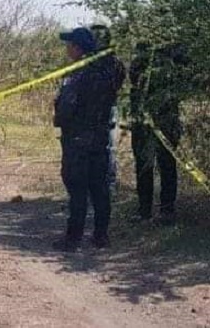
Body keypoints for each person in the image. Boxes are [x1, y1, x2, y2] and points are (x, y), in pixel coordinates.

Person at [53, 27, 120, 251]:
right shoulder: (108, 71)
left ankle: (73, 238)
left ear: (78, 48)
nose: (67, 48)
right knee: (100, 188)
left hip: (78, 139)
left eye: (70, 44)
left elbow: (66, 108)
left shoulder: (78, 74)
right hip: (100, 138)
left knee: (77, 189)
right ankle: (101, 236)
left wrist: (60, 120)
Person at [129, 42, 188, 225]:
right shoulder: (144, 51)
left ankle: (165, 211)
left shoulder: (176, 54)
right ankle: (146, 211)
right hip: (145, 120)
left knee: (165, 165)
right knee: (146, 166)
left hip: (164, 119)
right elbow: (134, 77)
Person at [89, 24, 126, 197]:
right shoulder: (89, 60)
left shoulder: (112, 62)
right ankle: (98, 183)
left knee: (108, 147)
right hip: (94, 109)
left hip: (107, 108)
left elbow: (118, 82)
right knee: (98, 147)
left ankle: (108, 184)